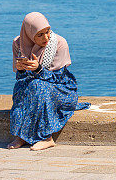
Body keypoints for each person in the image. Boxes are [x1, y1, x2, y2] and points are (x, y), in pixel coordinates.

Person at [8, 12, 89, 151]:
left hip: (62, 89)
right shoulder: (18, 44)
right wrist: (21, 70)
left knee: (38, 87)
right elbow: (20, 78)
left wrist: (38, 69)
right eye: (40, 35)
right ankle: (21, 136)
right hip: (33, 86)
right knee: (23, 88)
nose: (46, 37)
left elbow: (59, 78)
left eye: (47, 31)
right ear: (29, 34)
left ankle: (47, 138)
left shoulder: (59, 43)